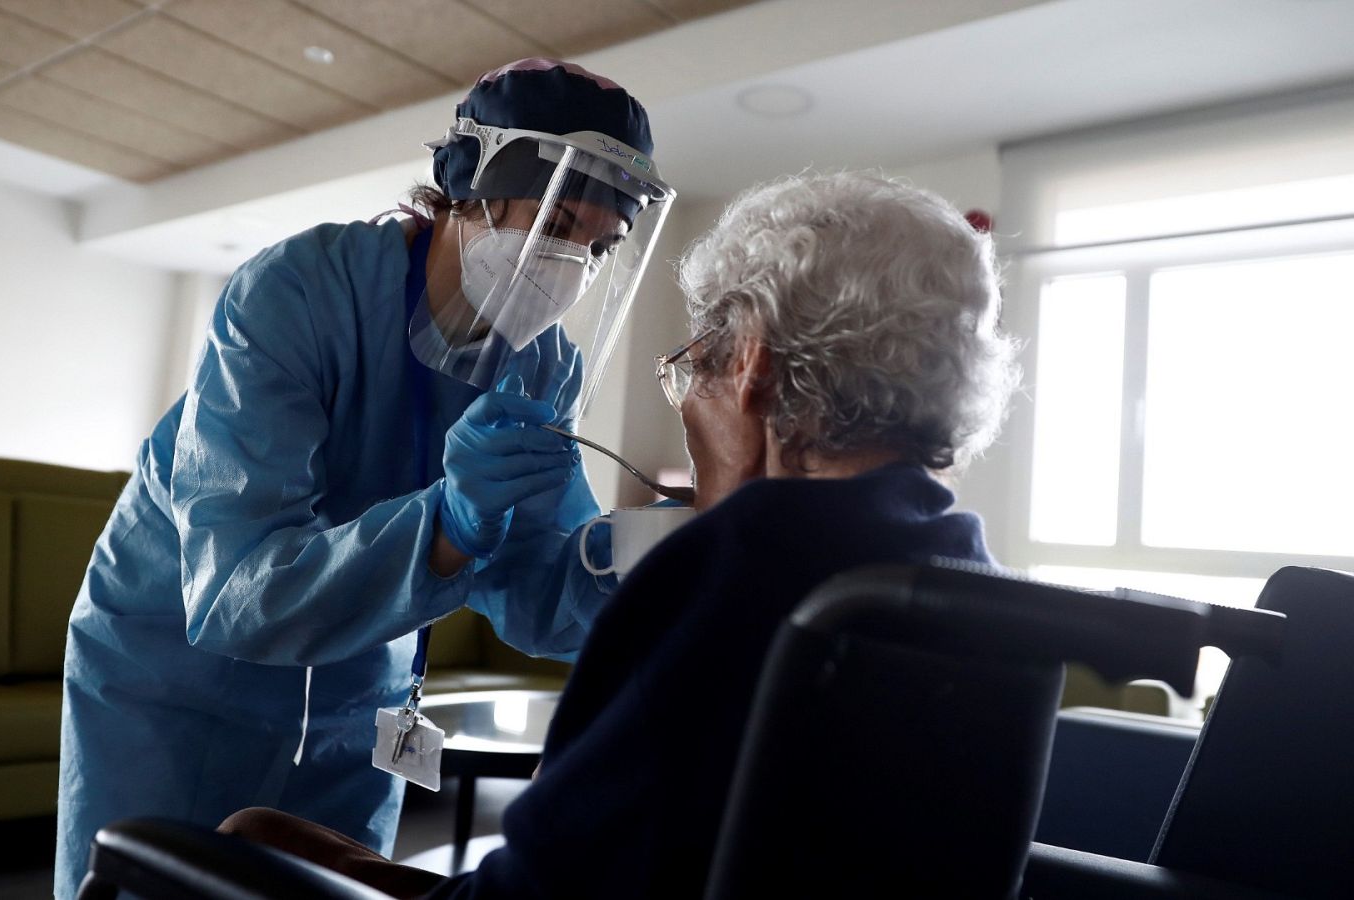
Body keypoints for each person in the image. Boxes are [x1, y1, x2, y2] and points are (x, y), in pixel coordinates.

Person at [212, 170, 1021, 897]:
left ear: (751, 366)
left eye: (694, 362)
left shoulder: (726, 566)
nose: (685, 398)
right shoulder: (973, 579)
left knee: (246, 838)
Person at [53, 58, 677, 899]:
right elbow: (237, 590)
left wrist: (631, 560)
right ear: (469, 185)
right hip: (176, 677)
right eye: (556, 221)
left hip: (363, 686)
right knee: (155, 882)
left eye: (598, 245)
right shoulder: (300, 292)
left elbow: (535, 598)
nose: (571, 264)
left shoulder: (543, 367)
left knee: (335, 891)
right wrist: (450, 527)